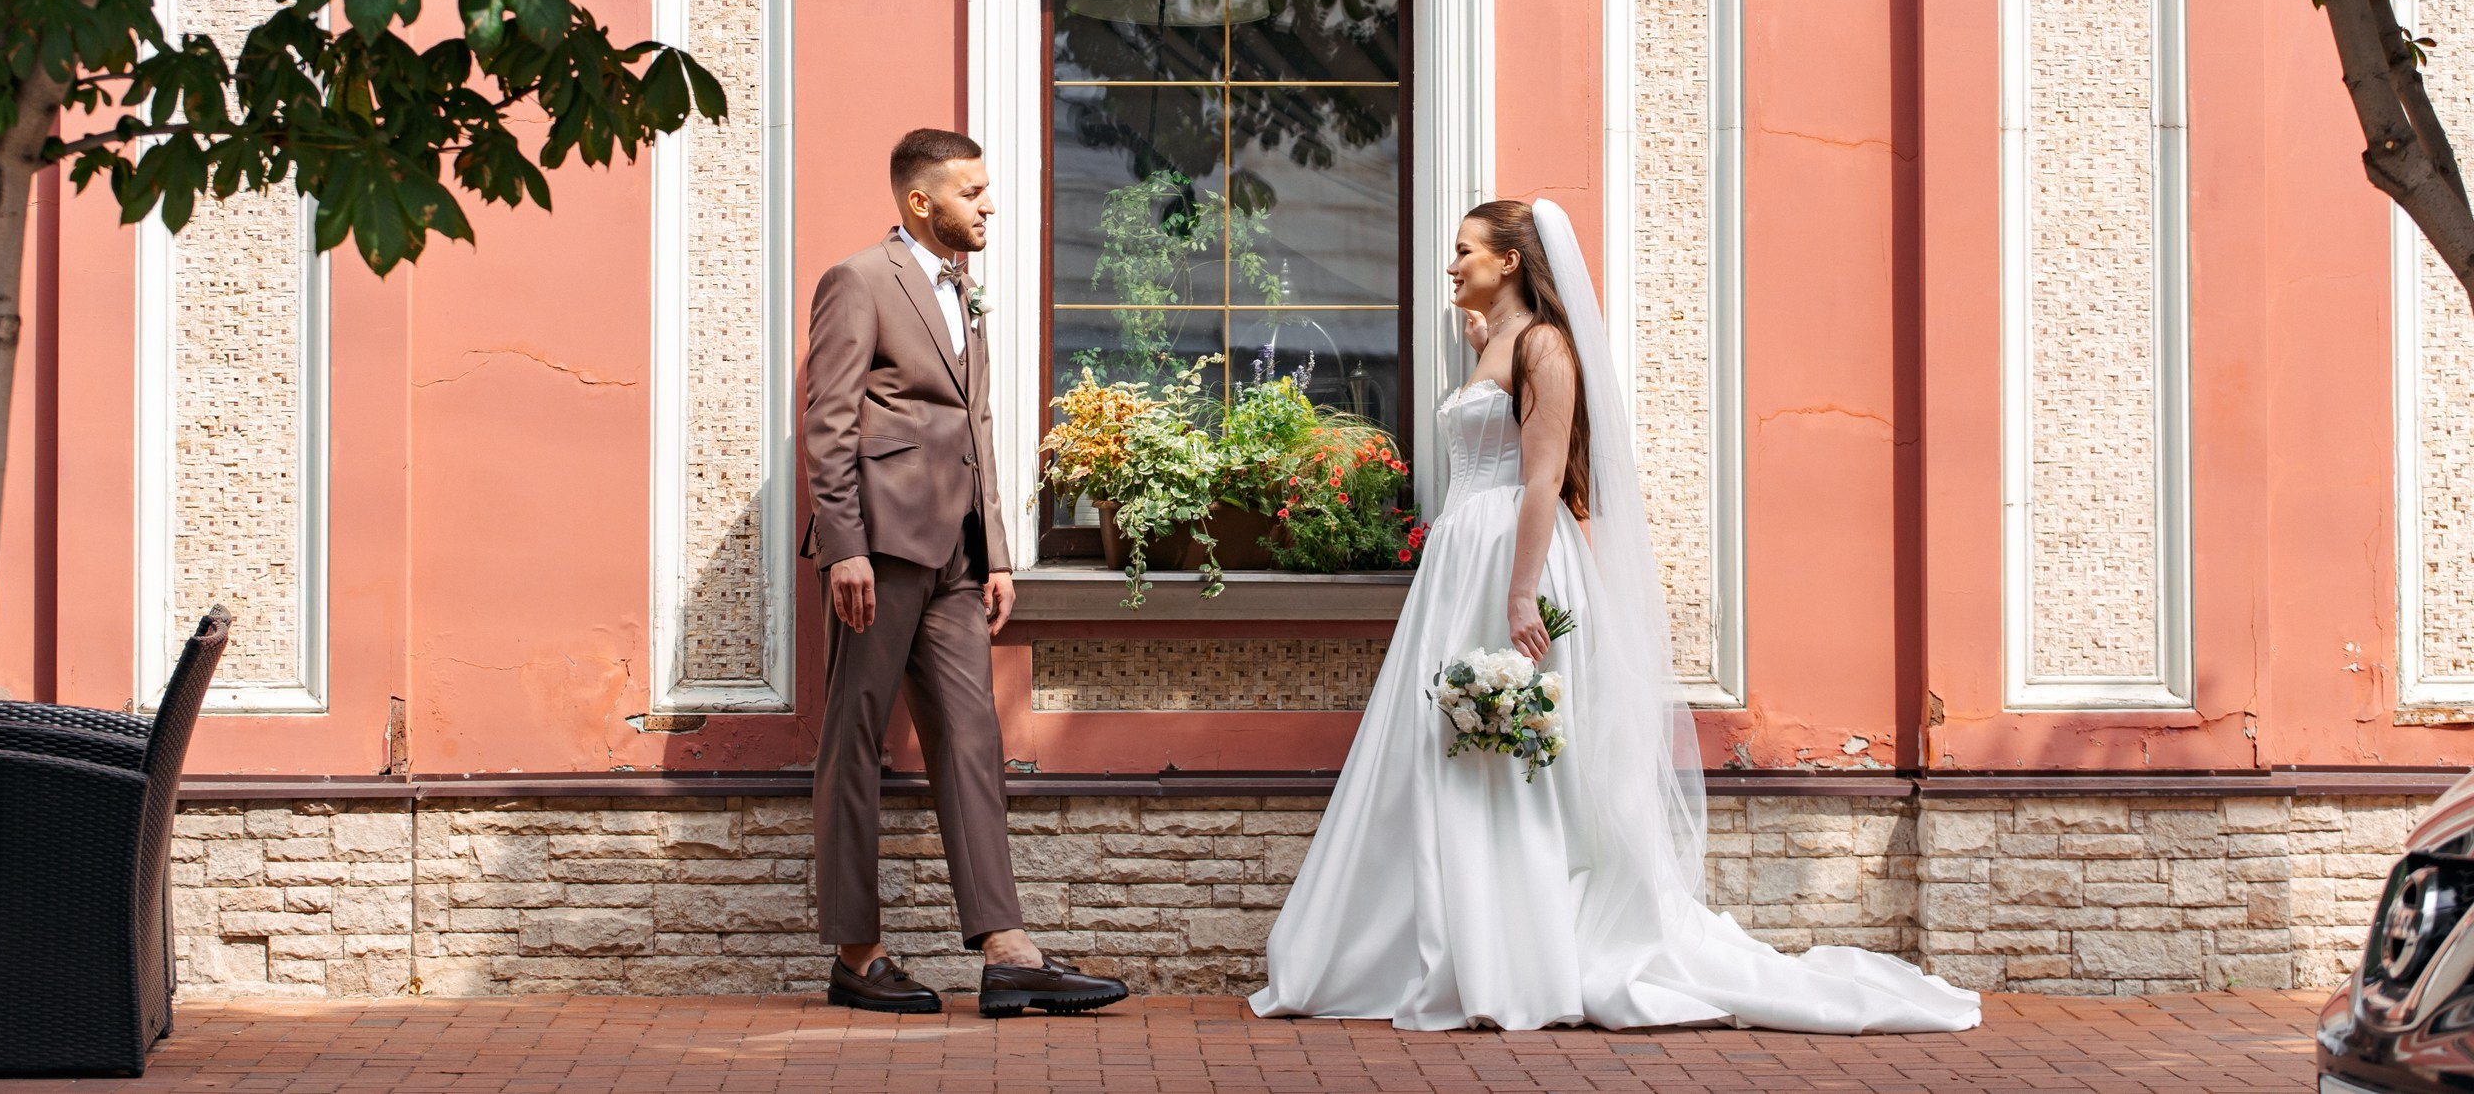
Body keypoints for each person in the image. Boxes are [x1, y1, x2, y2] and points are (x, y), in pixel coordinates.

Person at [1250, 197, 1982, 1033]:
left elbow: (1539, 477)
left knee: (1516, 751)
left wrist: (1520, 592)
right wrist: (1477, 346)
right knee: (1450, 749)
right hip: (1460, 563)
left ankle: (1522, 952)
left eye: (1464, 250)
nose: (1450, 265)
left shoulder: (1545, 346)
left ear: (1510, 259)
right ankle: (1464, 936)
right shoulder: (1491, 340)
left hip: (1513, 558)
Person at [803, 127, 1129, 1019]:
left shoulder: (962, 290)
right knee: (854, 739)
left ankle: (1006, 949)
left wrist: (997, 551)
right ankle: (857, 954)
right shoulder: (859, 281)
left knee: (973, 738)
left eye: (987, 190)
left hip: (955, 554)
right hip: (879, 549)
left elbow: (973, 425)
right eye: (971, 192)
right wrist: (845, 545)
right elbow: (828, 421)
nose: (989, 204)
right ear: (921, 201)